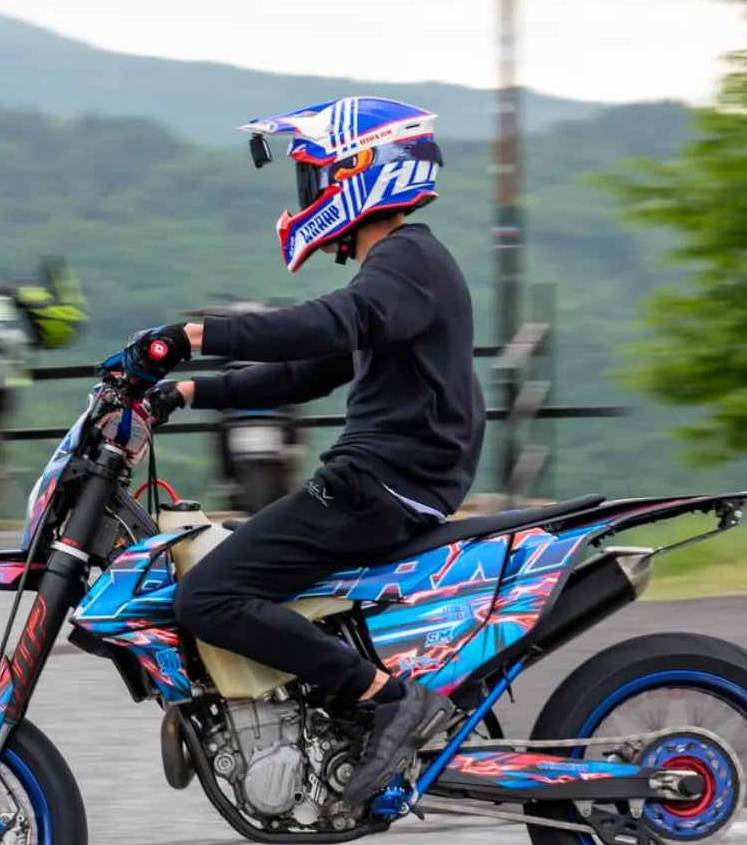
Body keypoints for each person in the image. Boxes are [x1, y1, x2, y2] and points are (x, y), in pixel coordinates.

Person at [133, 96, 486, 805]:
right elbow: (305, 372)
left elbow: (330, 323)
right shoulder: (400, 273)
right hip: (386, 481)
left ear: (359, 172)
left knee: (207, 596)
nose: (308, 197)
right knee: (218, 559)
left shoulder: (407, 261)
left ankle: (388, 700)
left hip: (381, 484)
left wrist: (196, 336)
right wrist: (187, 394)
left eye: (313, 178)